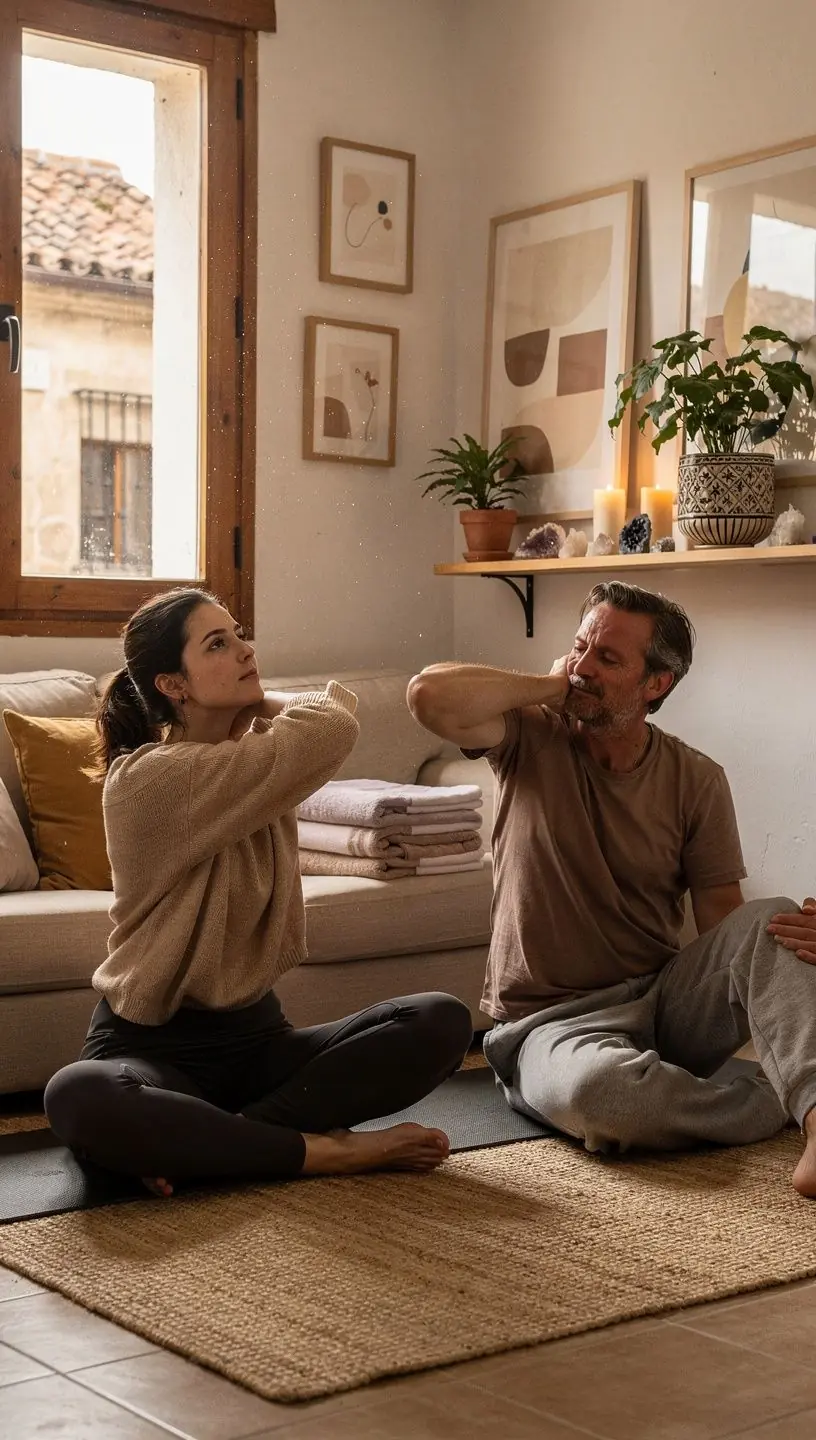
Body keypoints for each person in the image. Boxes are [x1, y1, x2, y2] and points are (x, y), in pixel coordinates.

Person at [45, 588, 472, 1195]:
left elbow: (318, 734)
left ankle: (216, 1143)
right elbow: (328, 724)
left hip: (258, 1043)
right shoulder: (146, 779)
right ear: (173, 684)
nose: (245, 650)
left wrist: (248, 709)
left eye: (240, 634)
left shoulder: (257, 766)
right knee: (80, 1093)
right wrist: (262, 705)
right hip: (150, 1049)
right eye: (218, 644)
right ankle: (320, 1152)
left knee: (439, 1020)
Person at [407, 581, 816, 1196]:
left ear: (656, 685)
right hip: (549, 1026)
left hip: (663, 1005)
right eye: (580, 647)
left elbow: (724, 926)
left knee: (777, 917)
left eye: (608, 659)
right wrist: (555, 685)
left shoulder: (696, 778)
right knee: (603, 1098)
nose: (585, 667)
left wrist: (781, 952)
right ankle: (770, 1099)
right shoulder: (528, 735)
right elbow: (428, 695)